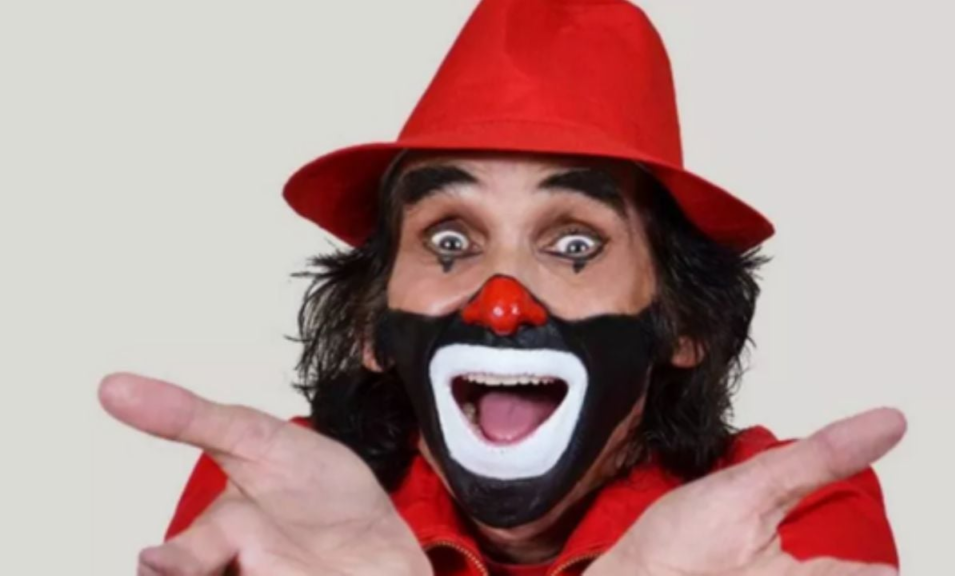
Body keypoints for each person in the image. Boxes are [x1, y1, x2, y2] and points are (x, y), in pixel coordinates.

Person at [98, 0, 907, 574]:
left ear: (682, 321)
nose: (501, 302)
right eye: (450, 240)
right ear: (374, 325)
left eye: (575, 242)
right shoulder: (277, 498)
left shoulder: (778, 514)